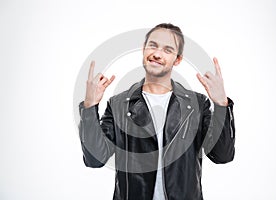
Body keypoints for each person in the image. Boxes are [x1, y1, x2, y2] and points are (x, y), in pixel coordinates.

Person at [78, 23, 235, 200]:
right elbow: (94, 160)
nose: (157, 54)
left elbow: (222, 155)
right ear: (143, 50)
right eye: (152, 45)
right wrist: (90, 107)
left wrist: (221, 105)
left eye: (168, 49)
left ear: (177, 59)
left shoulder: (197, 104)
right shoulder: (118, 104)